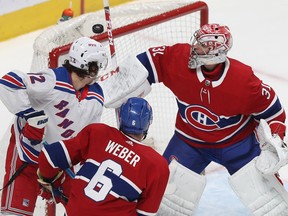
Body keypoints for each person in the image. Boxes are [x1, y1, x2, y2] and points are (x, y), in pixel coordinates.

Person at [131, 23, 287, 215]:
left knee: (272, 205)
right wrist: (125, 80)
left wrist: (275, 143)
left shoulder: (242, 80)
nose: (195, 47)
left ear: (216, 53)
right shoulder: (179, 58)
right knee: (162, 198)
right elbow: (149, 62)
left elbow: (275, 113)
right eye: (197, 42)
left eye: (202, 45)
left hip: (237, 145)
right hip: (189, 141)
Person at [0, 36, 108, 215]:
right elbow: (9, 82)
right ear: (89, 66)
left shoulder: (96, 95)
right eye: (97, 64)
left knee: (86, 209)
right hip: (28, 157)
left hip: (61, 164)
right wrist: (31, 114)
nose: (100, 69)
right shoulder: (53, 80)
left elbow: (88, 136)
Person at [37, 97, 169, 216]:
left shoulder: (98, 133)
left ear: (120, 118)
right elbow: (145, 214)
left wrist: (52, 186)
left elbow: (48, 157)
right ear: (147, 124)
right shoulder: (157, 165)